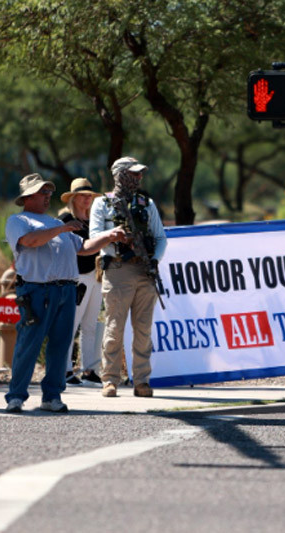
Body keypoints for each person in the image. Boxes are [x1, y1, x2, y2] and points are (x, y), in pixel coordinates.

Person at [4, 174, 125, 413]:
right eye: (42, 192)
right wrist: (62, 228)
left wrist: (108, 236)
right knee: (29, 345)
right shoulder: (18, 220)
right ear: (28, 197)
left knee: (61, 346)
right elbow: (31, 241)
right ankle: (16, 396)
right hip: (36, 291)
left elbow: (84, 248)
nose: (47, 195)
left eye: (49, 191)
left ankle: (52, 396)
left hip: (66, 291)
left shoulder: (54, 222)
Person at [90, 156, 167, 399]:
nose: (138, 178)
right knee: (114, 328)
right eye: (133, 174)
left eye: (140, 174)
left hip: (145, 272)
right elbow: (94, 237)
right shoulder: (102, 204)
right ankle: (110, 380)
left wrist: (154, 260)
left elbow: (161, 237)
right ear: (120, 175)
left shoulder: (147, 203)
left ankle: (142, 381)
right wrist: (114, 237)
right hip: (118, 270)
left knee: (143, 331)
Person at [59, 178, 104, 385]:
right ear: (74, 198)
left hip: (96, 276)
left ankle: (89, 369)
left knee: (90, 325)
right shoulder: (66, 219)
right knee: (72, 324)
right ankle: (66, 368)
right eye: (83, 196)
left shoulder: (93, 220)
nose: (87, 199)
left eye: (89, 196)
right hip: (78, 276)